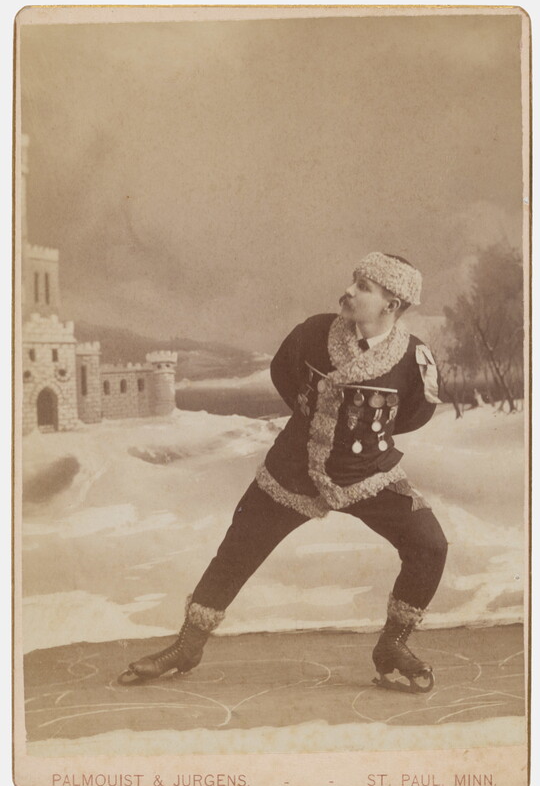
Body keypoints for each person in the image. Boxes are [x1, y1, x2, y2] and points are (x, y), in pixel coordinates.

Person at [119, 252, 448, 693]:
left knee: (430, 546)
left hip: (368, 473)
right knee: (237, 549)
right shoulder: (313, 333)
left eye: (363, 287)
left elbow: (414, 414)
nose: (348, 291)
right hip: (294, 467)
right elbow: (283, 376)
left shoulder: (415, 358)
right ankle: (187, 645)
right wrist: (316, 428)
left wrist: (360, 447)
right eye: (353, 280)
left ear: (392, 304)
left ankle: (392, 646)